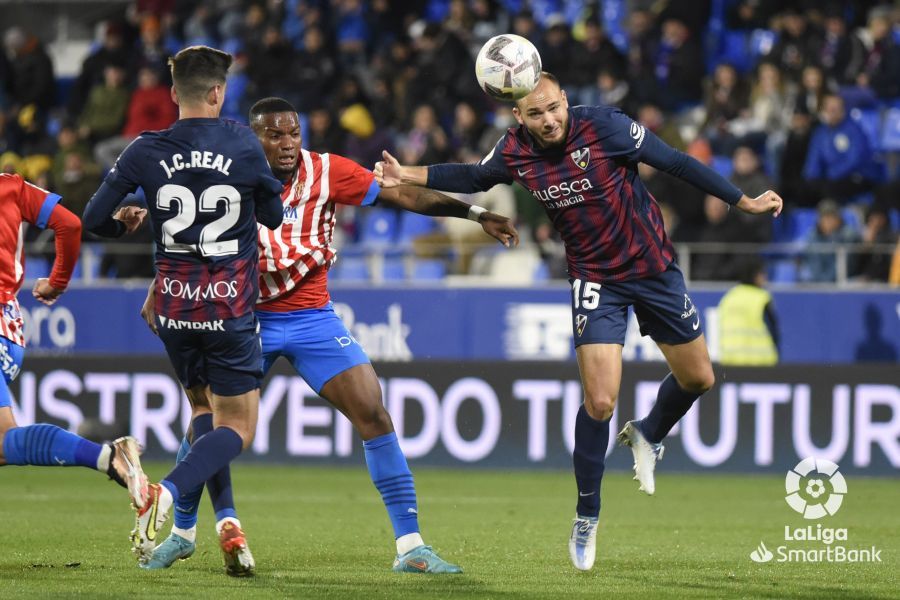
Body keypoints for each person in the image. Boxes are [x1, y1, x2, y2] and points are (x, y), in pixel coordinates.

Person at [374, 72, 782, 572]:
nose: (547, 121)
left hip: (653, 268)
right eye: (535, 114)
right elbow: (473, 177)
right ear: (517, 117)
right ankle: (587, 513)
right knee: (601, 399)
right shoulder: (513, 150)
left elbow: (675, 162)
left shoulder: (607, 128)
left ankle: (650, 432)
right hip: (596, 279)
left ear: (566, 101)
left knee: (699, 377)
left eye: (553, 109)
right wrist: (407, 173)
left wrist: (744, 199)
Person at [138, 96, 518, 574]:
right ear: (253, 137)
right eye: (275, 135)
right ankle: (183, 533)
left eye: (293, 133)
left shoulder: (327, 171)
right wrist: (160, 284)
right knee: (212, 420)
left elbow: (401, 193)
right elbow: (190, 235)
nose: (288, 143)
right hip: (242, 315)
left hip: (311, 316)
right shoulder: (229, 177)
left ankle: (411, 546)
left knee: (373, 410)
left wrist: (476, 214)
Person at [81, 46, 284, 576]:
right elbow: (274, 215)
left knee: (202, 414)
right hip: (228, 304)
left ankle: (225, 525)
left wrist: (128, 221)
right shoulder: (242, 141)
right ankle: (164, 492)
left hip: (172, 307)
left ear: (173, 93)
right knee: (237, 428)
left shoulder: (145, 149)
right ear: (218, 92)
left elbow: (93, 219)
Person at [0, 173, 141, 489]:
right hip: (9, 329)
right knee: (3, 443)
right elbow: (70, 224)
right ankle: (109, 457)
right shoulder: (10, 186)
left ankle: (109, 456)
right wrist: (57, 282)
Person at [717, 257, 779, 366]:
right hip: (760, 363)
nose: (765, 277)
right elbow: (774, 331)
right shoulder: (762, 298)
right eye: (762, 273)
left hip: (730, 362)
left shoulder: (729, 297)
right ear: (754, 275)